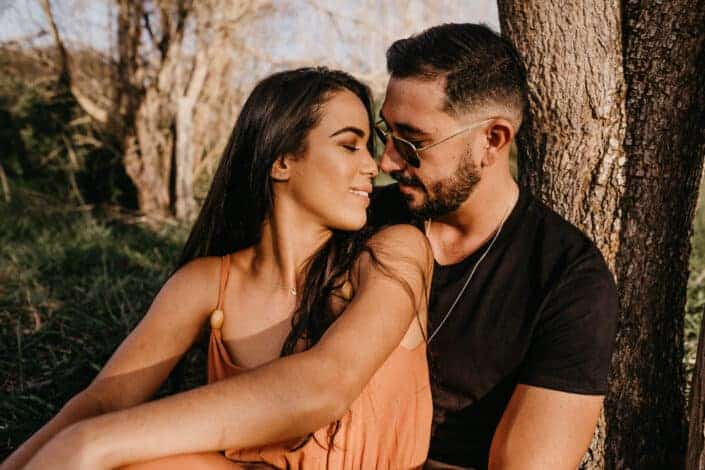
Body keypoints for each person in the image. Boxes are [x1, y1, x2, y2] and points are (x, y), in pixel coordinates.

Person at [4, 68, 433, 469]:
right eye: (349, 145)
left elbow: (326, 386)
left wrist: (91, 443)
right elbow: (104, 400)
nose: (373, 167)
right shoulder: (209, 283)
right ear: (281, 160)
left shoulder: (393, 253)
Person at [369, 23, 618, 469]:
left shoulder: (568, 278)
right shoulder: (362, 219)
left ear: (492, 140)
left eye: (413, 142)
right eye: (386, 133)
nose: (387, 161)